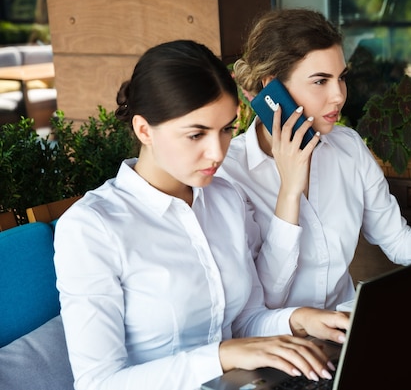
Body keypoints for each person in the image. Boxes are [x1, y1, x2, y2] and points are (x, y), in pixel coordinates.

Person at [53, 40, 349, 390]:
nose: (217, 152)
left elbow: (245, 320)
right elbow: (98, 383)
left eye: (226, 130)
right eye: (196, 134)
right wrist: (223, 355)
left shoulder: (224, 198)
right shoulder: (91, 228)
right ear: (144, 130)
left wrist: (300, 320)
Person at [217, 8, 411, 310]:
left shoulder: (348, 148)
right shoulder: (230, 174)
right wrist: (289, 191)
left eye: (341, 78)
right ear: (271, 88)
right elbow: (265, 301)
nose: (339, 95)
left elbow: (399, 243)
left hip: (344, 334)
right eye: (320, 81)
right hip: (276, 349)